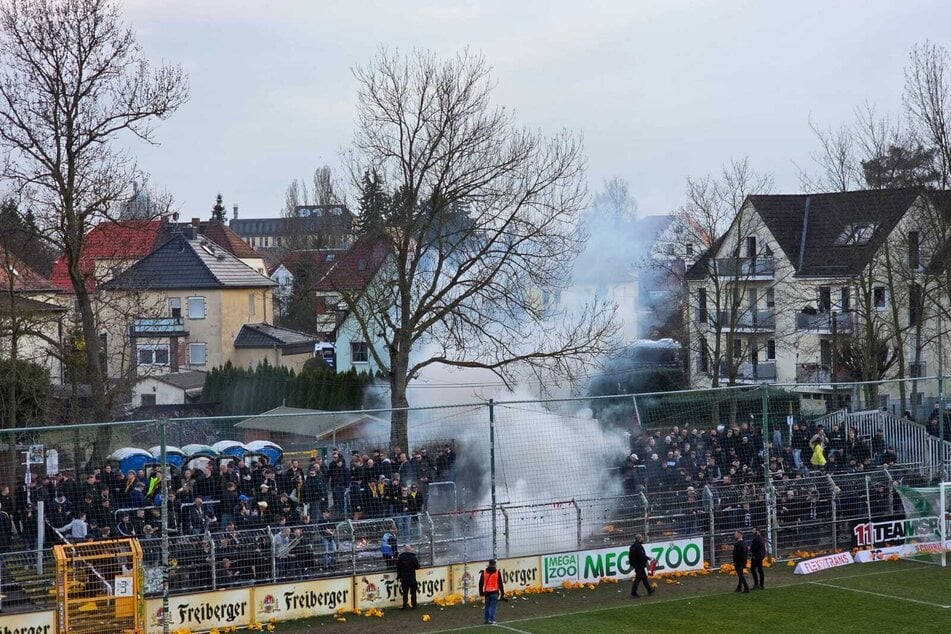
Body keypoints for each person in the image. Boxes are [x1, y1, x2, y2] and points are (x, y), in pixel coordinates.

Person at [478, 558, 505, 625]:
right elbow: (500, 583)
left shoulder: (484, 572)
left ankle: (486, 619)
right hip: (494, 592)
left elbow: (480, 583)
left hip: (487, 592)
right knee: (493, 606)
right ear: (495, 565)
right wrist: (502, 593)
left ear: (489, 564)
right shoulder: (497, 572)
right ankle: (491, 619)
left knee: (487, 606)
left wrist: (481, 592)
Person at [396, 544, 420, 610]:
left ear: (404, 550)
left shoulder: (400, 557)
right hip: (412, 577)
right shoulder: (413, 557)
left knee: (405, 593)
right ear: (410, 550)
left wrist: (399, 576)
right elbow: (418, 566)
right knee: (413, 593)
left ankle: (405, 606)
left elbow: (398, 568)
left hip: (404, 578)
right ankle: (414, 606)